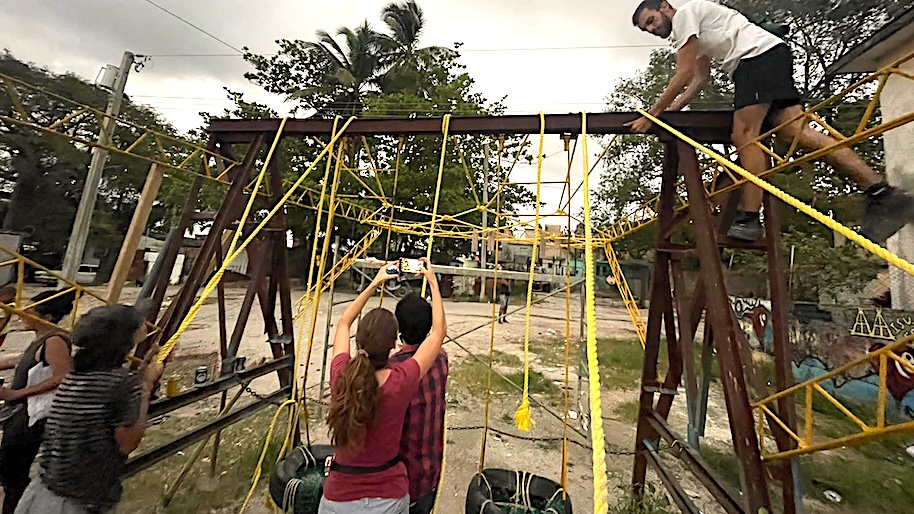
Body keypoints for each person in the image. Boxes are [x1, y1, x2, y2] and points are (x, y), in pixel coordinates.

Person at [626, 0, 914, 243]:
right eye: (647, 29)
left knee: (745, 134)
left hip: (755, 61)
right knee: (796, 132)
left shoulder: (686, 15)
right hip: (773, 55)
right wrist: (669, 112)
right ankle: (881, 191)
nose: (653, 29)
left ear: (665, 6)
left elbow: (684, 72)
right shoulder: (695, 33)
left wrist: (651, 115)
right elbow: (700, 78)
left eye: (651, 20)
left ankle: (750, 219)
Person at [320, 258, 446, 514]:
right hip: (388, 497)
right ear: (392, 345)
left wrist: (375, 282)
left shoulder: (341, 376)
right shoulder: (400, 381)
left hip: (338, 498)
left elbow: (343, 322)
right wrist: (432, 280)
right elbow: (438, 333)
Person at [14, 302, 164, 514]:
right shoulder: (121, 383)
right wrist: (146, 387)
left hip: (42, 492)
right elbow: (127, 443)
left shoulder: (77, 375)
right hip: (77, 501)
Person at [0, 290, 75, 514]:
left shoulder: (54, 341)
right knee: (10, 471)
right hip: (20, 414)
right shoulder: (40, 340)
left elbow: (63, 376)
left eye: (30, 311)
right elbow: (21, 360)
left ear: (48, 316)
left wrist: (17, 393)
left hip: (30, 418)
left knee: (14, 475)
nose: (21, 314)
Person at [389, 293, 448, 514]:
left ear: (399, 330)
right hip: (430, 474)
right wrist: (432, 281)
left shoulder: (392, 371)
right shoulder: (441, 359)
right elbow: (440, 333)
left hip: (401, 482)